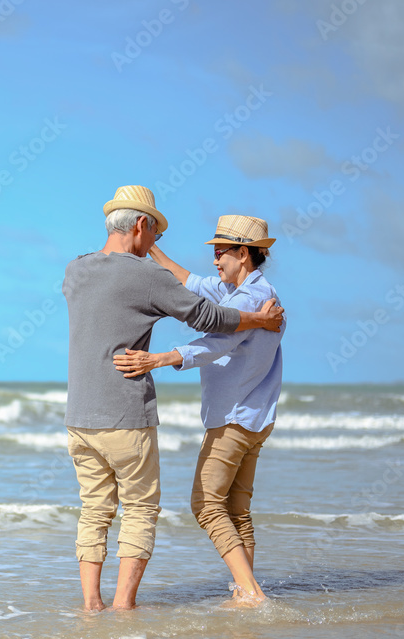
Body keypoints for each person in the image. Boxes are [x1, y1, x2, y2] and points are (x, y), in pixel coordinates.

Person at [63, 187, 284, 612]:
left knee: (94, 510)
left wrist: (157, 264)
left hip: (79, 414)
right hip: (127, 413)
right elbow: (207, 316)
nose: (214, 258)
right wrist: (258, 320)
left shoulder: (74, 271)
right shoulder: (149, 277)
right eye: (155, 234)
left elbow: (203, 299)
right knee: (144, 509)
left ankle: (92, 604)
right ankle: (126, 605)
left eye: (221, 251)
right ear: (142, 226)